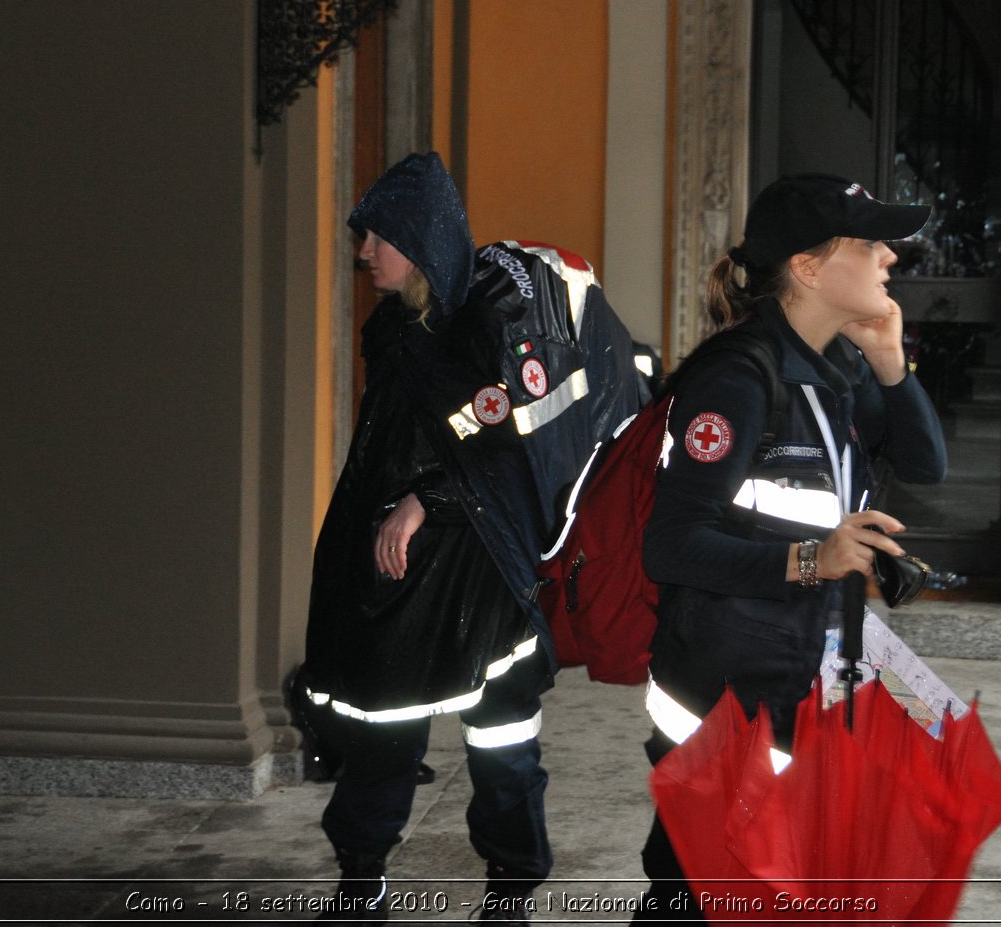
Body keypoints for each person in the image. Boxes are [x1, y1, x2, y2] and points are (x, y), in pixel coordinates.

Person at [300, 152, 643, 924]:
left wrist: (431, 499)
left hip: (485, 570)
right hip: (398, 578)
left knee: (503, 740)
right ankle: (360, 884)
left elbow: (496, 437)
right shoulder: (389, 327)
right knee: (381, 729)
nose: (363, 253)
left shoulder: (490, 326)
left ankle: (509, 895)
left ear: (417, 240)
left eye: (377, 237)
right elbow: (383, 443)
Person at [633, 174, 948, 920]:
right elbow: (671, 546)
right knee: (699, 887)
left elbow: (927, 463)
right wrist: (814, 558)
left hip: (796, 667)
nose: (889, 259)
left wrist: (890, 361)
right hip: (724, 689)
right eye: (870, 243)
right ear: (808, 268)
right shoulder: (737, 378)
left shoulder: (831, 367)